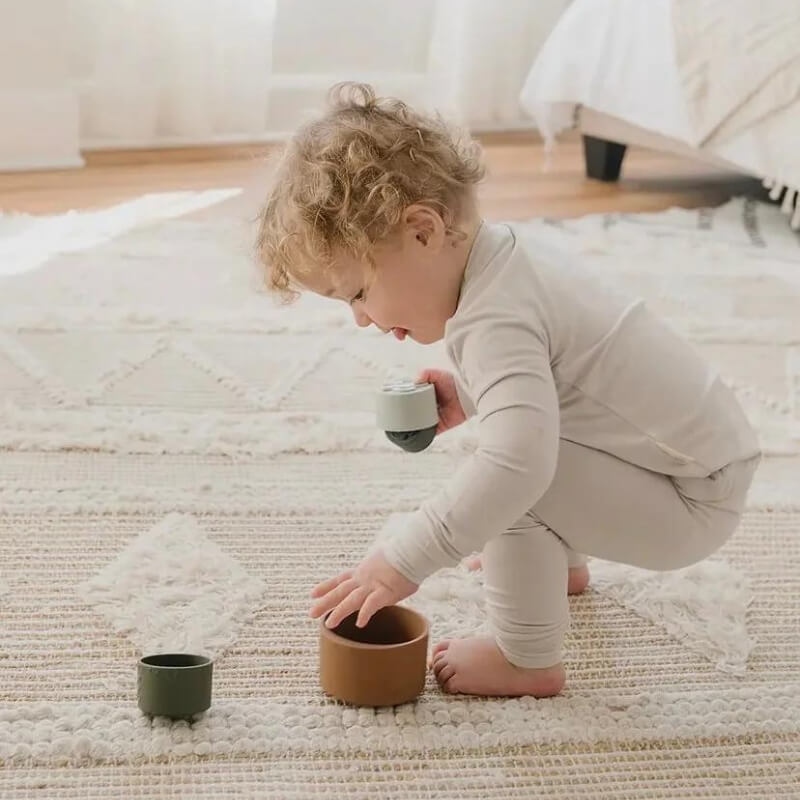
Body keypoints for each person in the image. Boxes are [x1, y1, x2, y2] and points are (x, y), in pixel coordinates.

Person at [255, 83, 761, 698]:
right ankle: (560, 561)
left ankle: (527, 659)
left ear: (422, 231)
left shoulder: (495, 320)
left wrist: (402, 560)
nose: (360, 318)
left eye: (357, 292)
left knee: (511, 483)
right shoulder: (504, 260)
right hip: (694, 465)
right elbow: (571, 378)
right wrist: (469, 393)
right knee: (519, 444)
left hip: (689, 502)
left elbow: (517, 464)